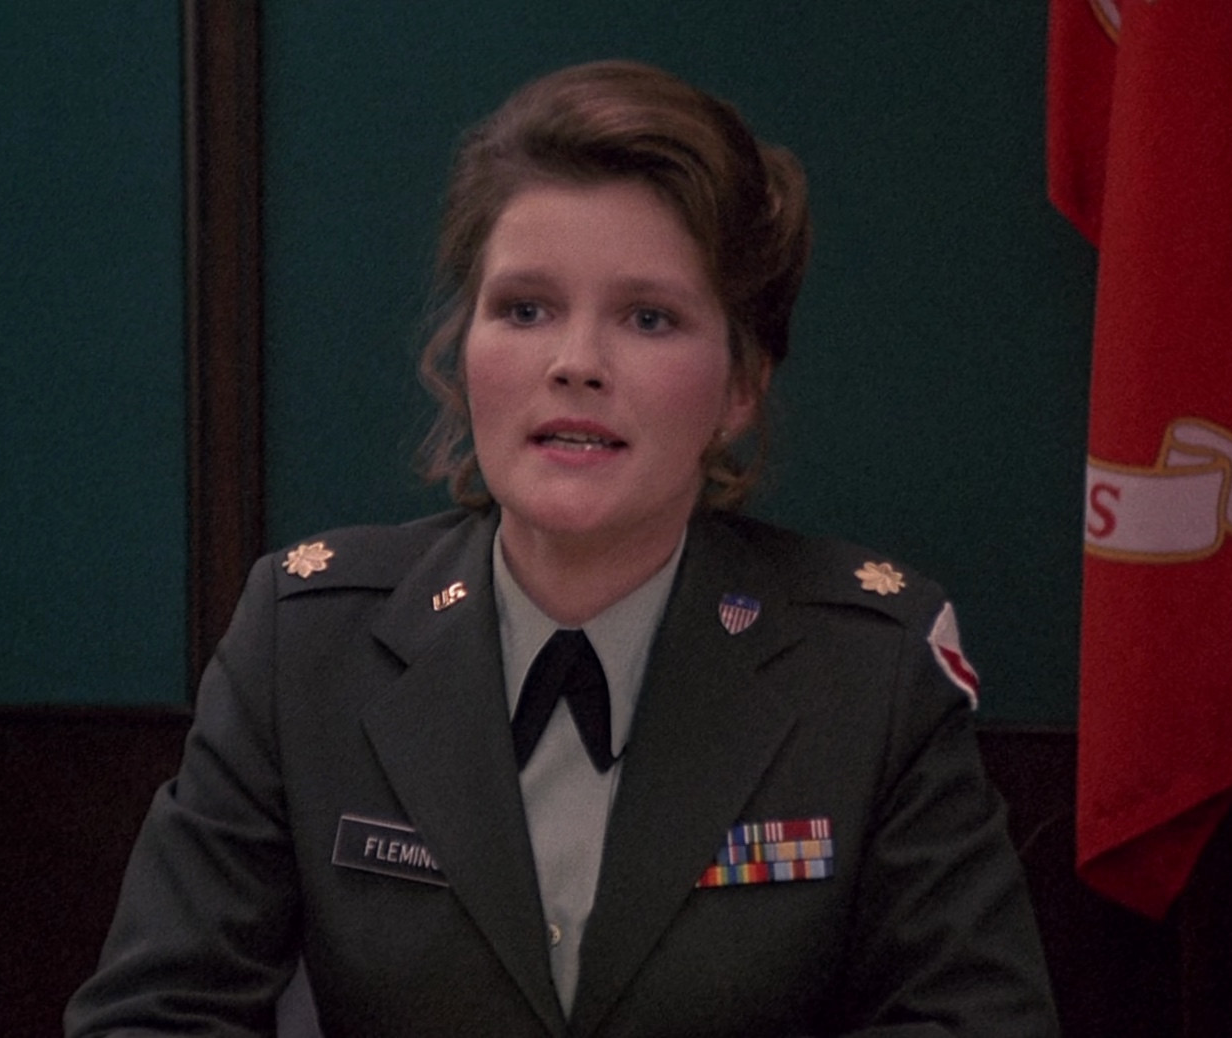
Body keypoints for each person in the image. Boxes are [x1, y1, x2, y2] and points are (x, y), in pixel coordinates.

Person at [66, 60, 1057, 1037]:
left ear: (740, 385)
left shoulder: (868, 671)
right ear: (462, 351)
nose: (575, 363)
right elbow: (152, 1015)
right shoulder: (306, 643)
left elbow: (975, 1020)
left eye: (648, 318)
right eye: (525, 310)